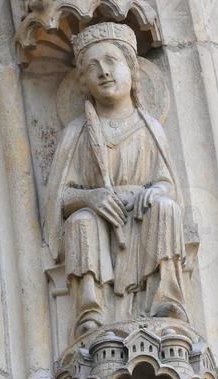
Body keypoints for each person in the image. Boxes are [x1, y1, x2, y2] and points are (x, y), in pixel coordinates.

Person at [46, 22, 188, 333]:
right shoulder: (78, 133)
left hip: (140, 213)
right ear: (83, 82)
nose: (104, 72)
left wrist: (153, 193)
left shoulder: (149, 127)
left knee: (166, 208)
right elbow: (60, 197)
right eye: (93, 67)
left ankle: (164, 296)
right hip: (99, 218)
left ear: (132, 70)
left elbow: (166, 183)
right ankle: (90, 308)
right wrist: (91, 198)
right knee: (81, 220)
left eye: (112, 62)